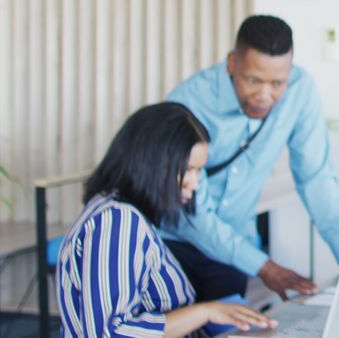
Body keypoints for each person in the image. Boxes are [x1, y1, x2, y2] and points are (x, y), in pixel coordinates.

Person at [161, 15, 339, 301]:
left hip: (234, 248)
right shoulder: (189, 102)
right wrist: (263, 266)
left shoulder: (300, 90)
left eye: (278, 83)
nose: (264, 95)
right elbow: (190, 210)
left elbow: (315, 175)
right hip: (174, 244)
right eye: (253, 80)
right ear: (231, 64)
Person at [56, 102, 276, 337]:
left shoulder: (128, 217)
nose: (195, 183)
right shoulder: (117, 221)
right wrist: (204, 313)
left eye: (199, 170)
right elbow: (108, 333)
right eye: (188, 169)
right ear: (152, 164)